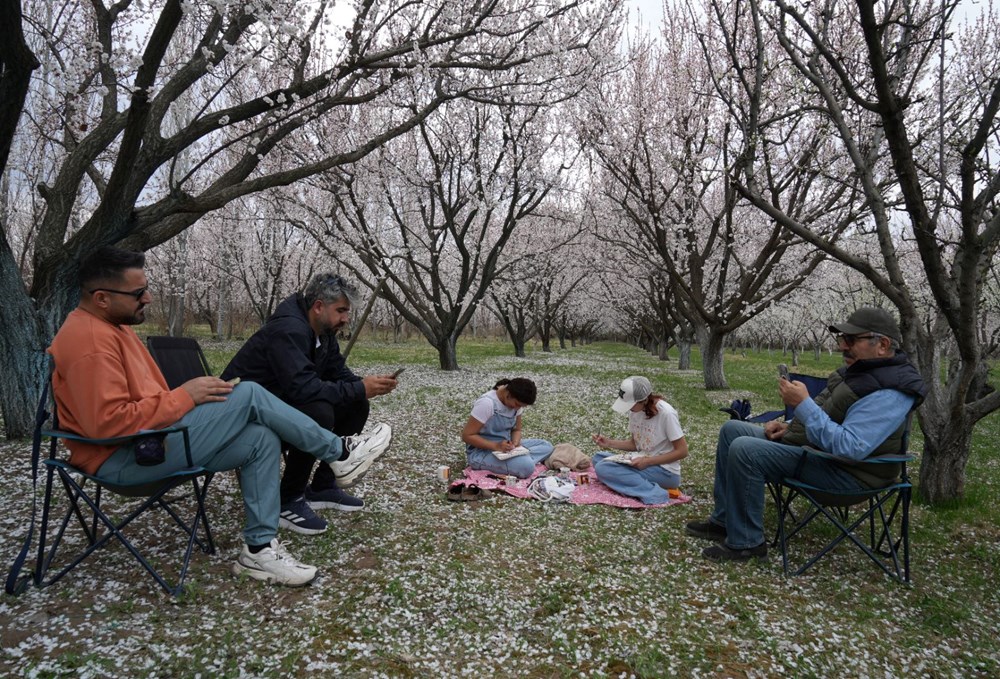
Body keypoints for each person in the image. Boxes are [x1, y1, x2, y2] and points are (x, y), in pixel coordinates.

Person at [48, 246, 392, 587]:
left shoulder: (112, 328)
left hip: (151, 442)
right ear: (102, 298)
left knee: (260, 438)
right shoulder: (89, 343)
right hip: (122, 460)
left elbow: (141, 403)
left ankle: (259, 550)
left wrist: (182, 400)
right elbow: (108, 426)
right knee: (249, 393)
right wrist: (184, 396)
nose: (149, 298)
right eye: (139, 293)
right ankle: (339, 453)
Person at [685, 307, 927, 563]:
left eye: (852, 340)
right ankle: (724, 521)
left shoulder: (891, 391)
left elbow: (851, 447)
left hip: (851, 474)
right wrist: (789, 425)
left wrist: (803, 404)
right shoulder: (858, 372)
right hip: (822, 454)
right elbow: (828, 412)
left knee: (745, 449)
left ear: (883, 344)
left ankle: (747, 543)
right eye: (841, 339)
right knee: (732, 430)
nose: (842, 347)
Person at [222, 274, 398, 536]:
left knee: (355, 404)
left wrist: (367, 386)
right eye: (341, 310)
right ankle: (288, 499)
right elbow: (302, 389)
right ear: (318, 306)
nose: (345, 319)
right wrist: (359, 388)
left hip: (279, 404)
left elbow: (337, 372)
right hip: (240, 419)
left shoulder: (323, 333)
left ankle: (322, 486)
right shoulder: (288, 330)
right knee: (317, 410)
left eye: (347, 312)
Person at [590, 376, 688, 505]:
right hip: (642, 460)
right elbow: (635, 444)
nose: (629, 408)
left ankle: (655, 493)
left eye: (631, 404)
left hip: (665, 471)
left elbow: (682, 451)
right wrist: (609, 443)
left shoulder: (666, 414)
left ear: (645, 400)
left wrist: (648, 461)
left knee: (603, 468)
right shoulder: (635, 411)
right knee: (598, 458)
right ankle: (628, 481)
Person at [461, 378, 553, 478]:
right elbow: (467, 436)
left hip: (505, 448)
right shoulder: (487, 403)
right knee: (527, 467)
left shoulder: (516, 406)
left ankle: (517, 461)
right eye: (517, 404)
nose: (517, 408)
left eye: (521, 406)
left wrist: (515, 442)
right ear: (508, 394)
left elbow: (516, 430)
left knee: (547, 446)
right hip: (482, 451)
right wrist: (496, 446)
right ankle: (520, 462)